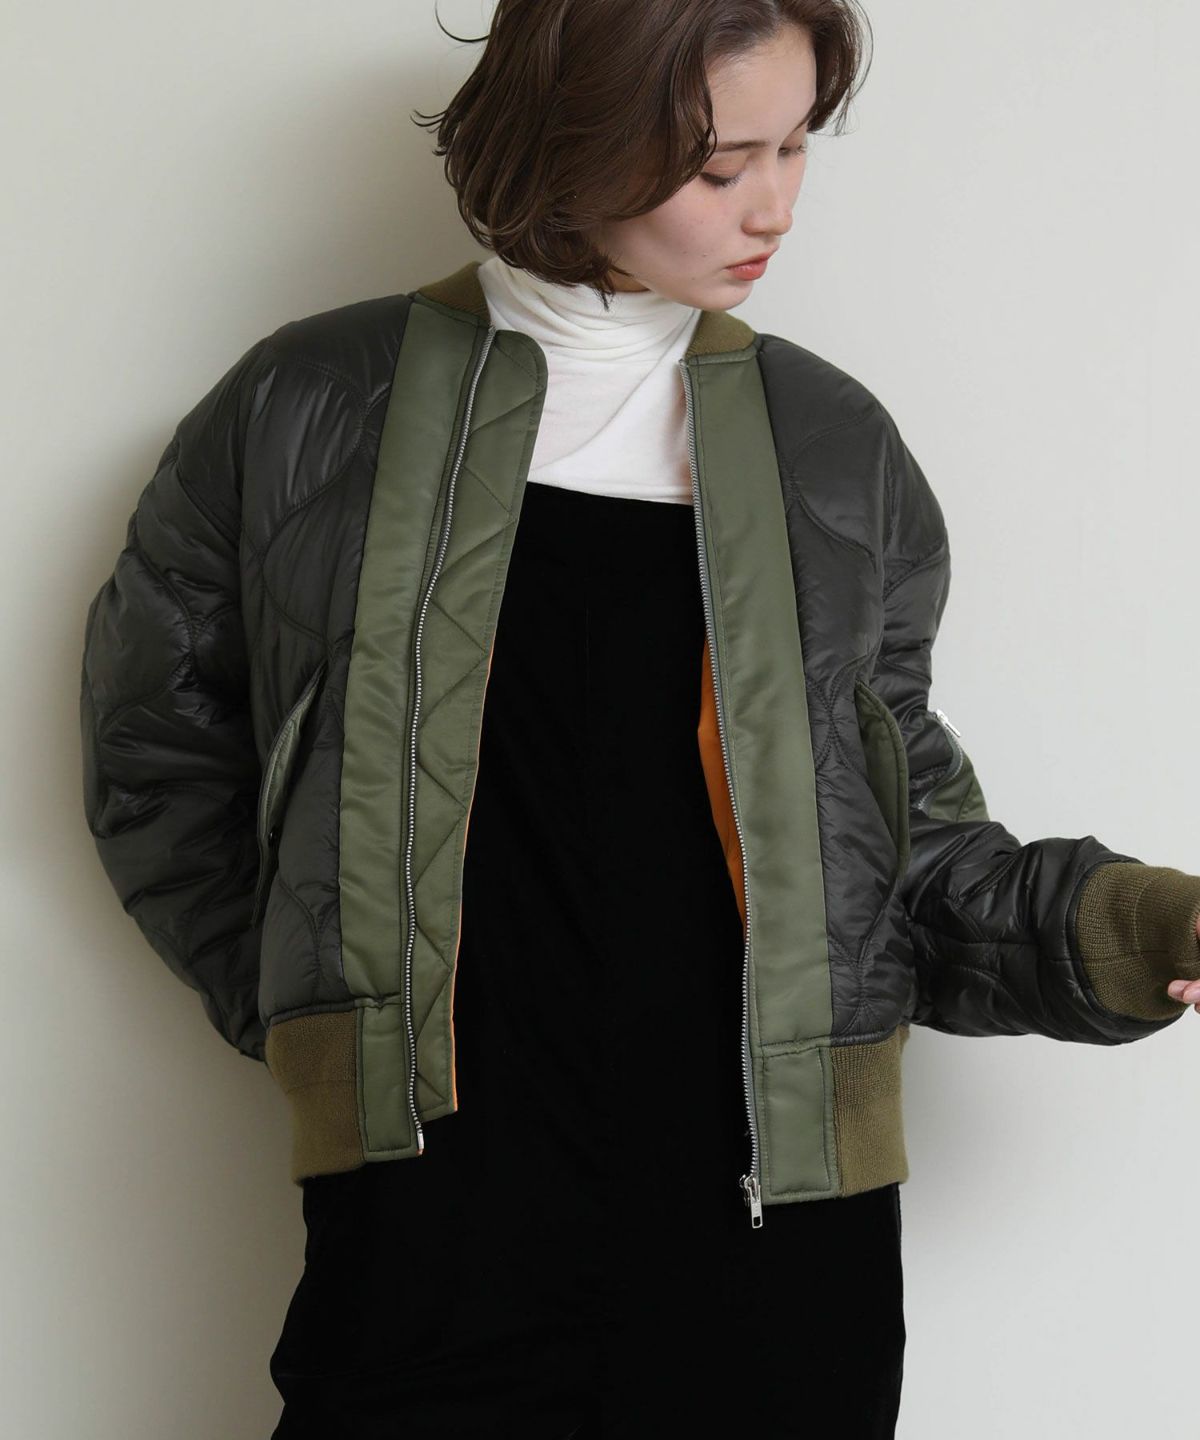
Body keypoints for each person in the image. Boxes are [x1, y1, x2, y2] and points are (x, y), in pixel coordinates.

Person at [78, 1, 1200, 1436]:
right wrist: (330, 1025)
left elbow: (902, 848)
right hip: (431, 1233)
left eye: (796, 147)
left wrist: (1147, 926)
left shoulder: (833, 450)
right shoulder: (306, 408)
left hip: (777, 1234)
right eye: (722, 166)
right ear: (575, 141)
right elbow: (156, 752)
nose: (775, 207)